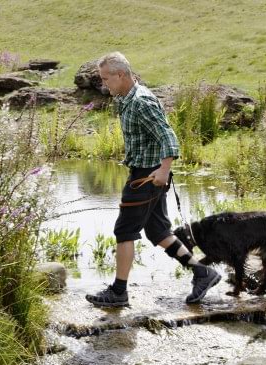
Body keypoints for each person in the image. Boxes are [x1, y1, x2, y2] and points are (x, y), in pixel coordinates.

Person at [85, 52, 220, 307]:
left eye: (106, 79)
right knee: (158, 231)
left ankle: (119, 292)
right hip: (147, 173)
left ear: (121, 75)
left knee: (125, 231)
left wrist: (164, 170)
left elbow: (168, 138)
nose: (104, 85)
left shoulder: (141, 102)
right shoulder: (125, 98)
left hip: (146, 177)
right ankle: (203, 272)